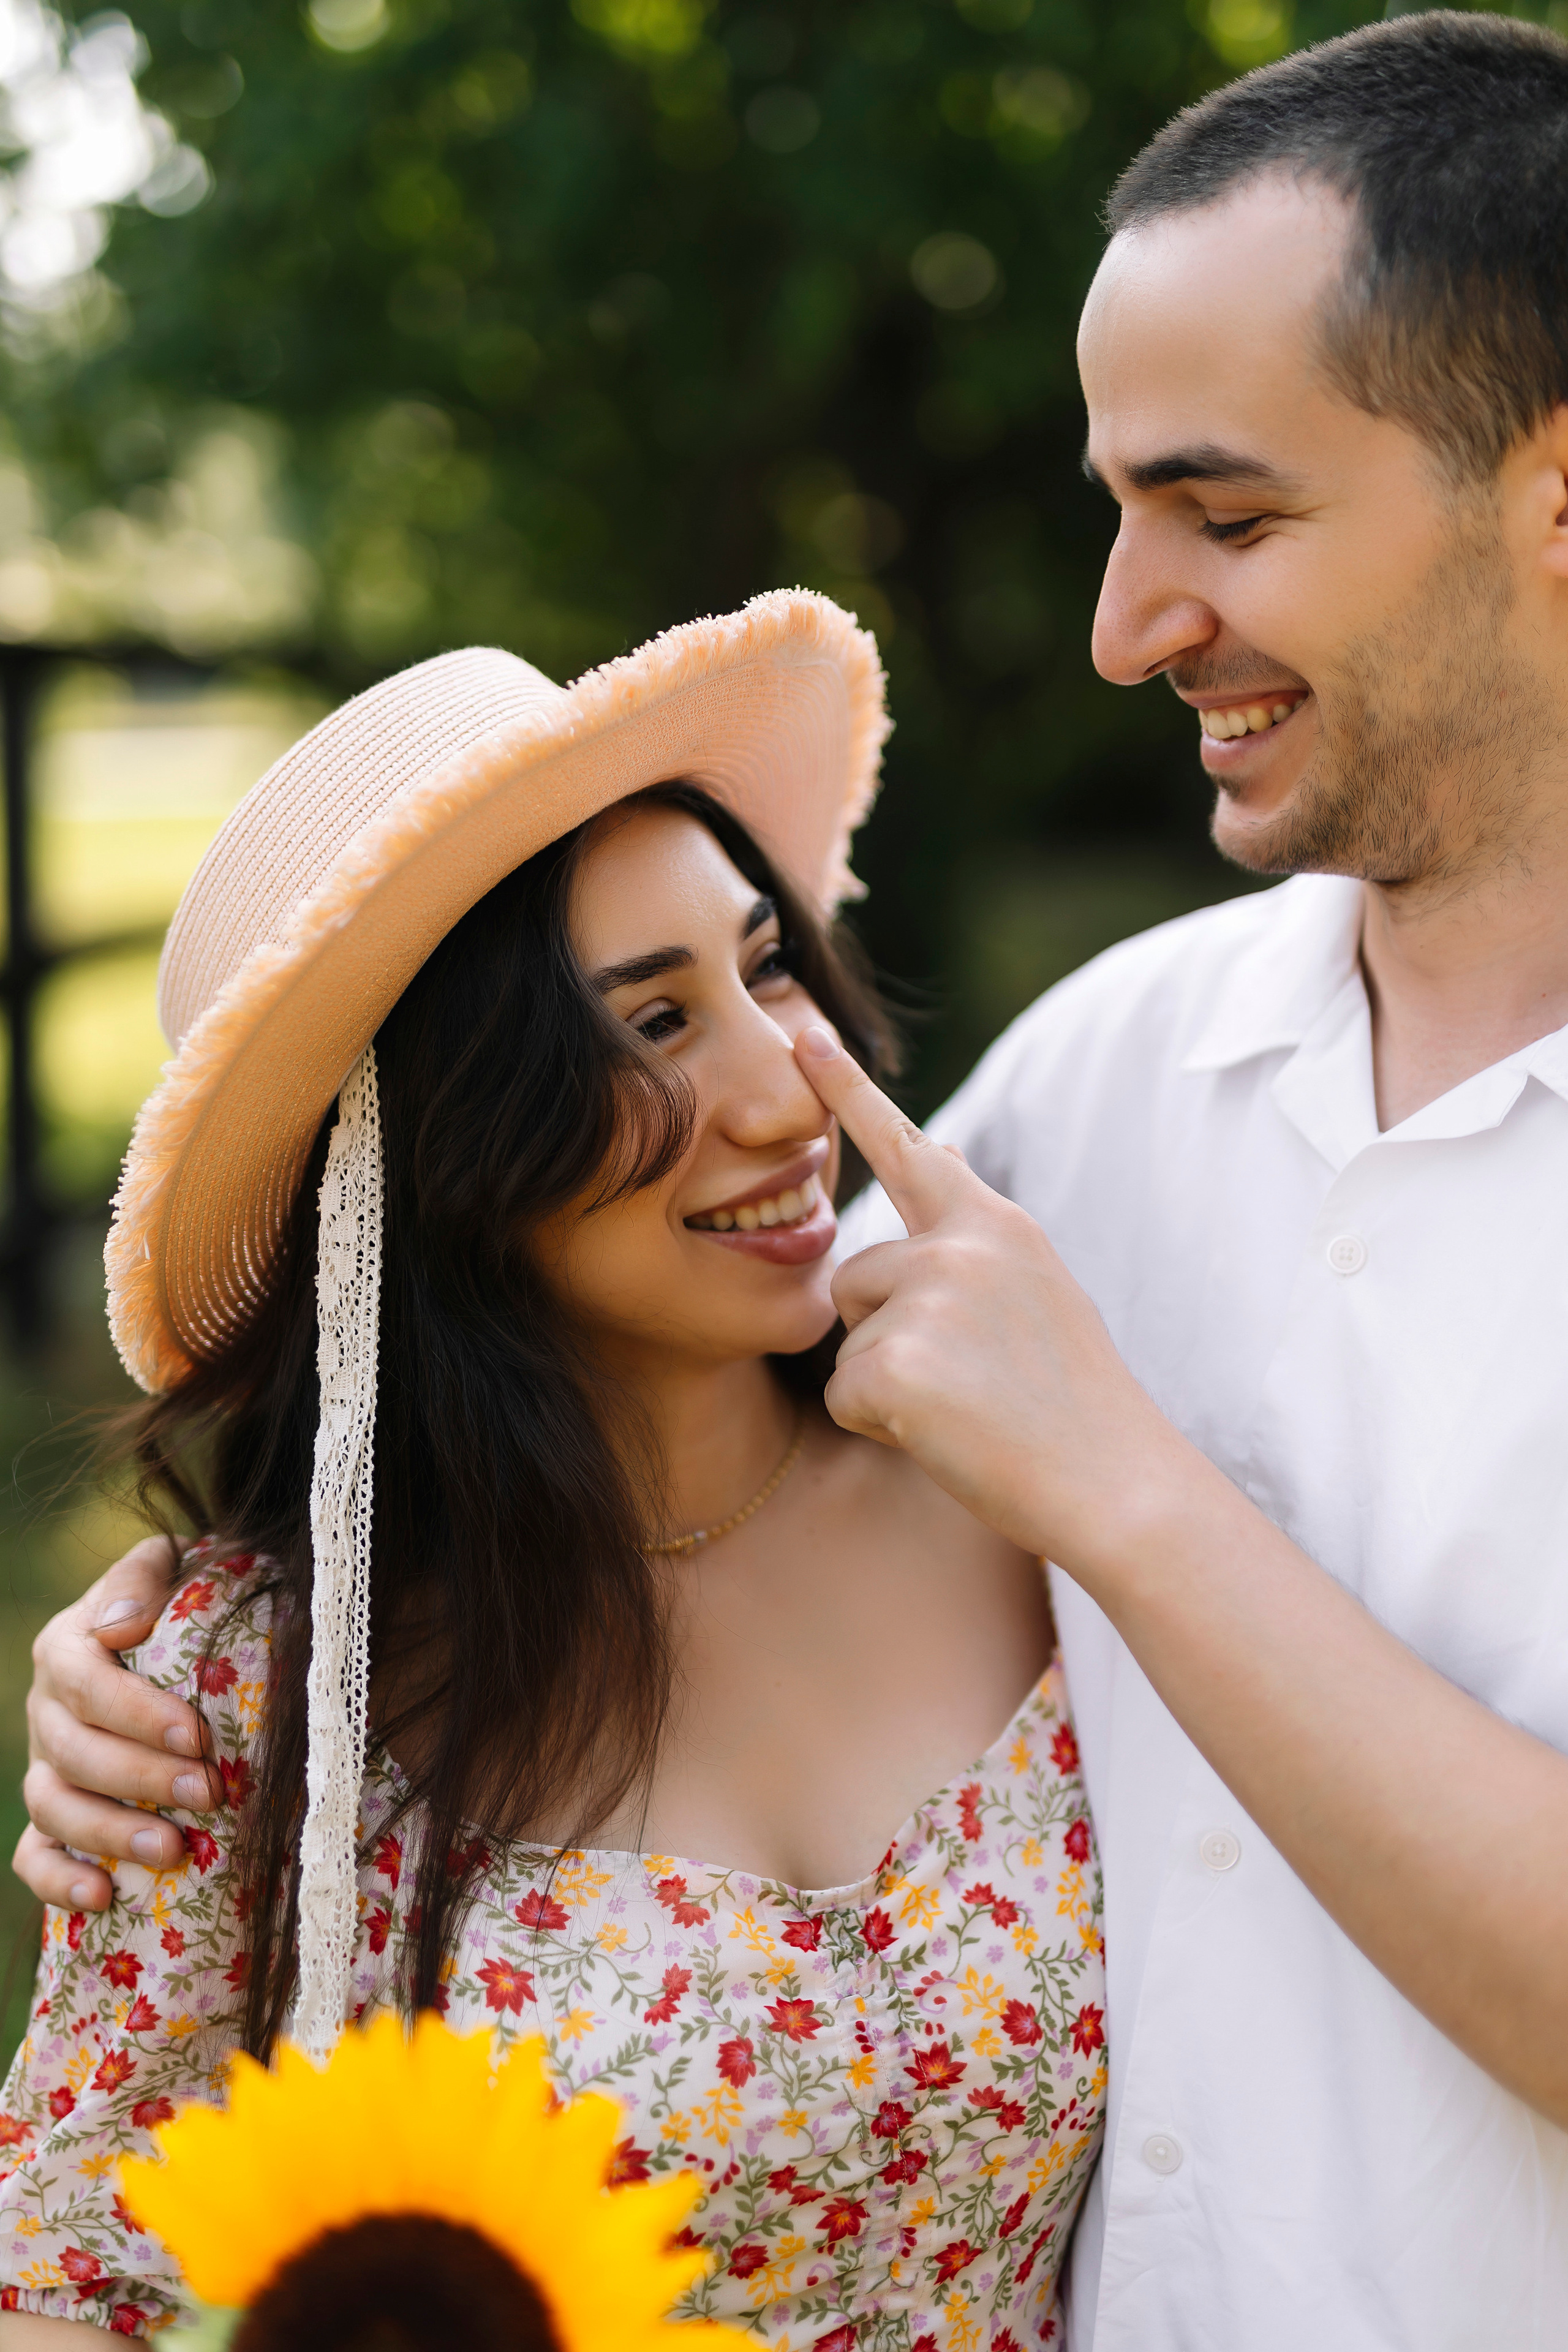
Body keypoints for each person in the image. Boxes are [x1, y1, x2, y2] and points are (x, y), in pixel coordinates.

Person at [20, 8, 1568, 2343]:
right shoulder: (1091, 1098)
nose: (1122, 624)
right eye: (1117, 509)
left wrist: (1130, 1494)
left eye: (1226, 514)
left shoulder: (1031, 1317)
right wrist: (168, 1666)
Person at [0, 597, 1107, 2342]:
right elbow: (76, 2284)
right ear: (453, 1151)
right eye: (654, 1029)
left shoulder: (1019, 1489)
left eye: (763, 970)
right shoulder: (239, 1709)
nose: (785, 1089)